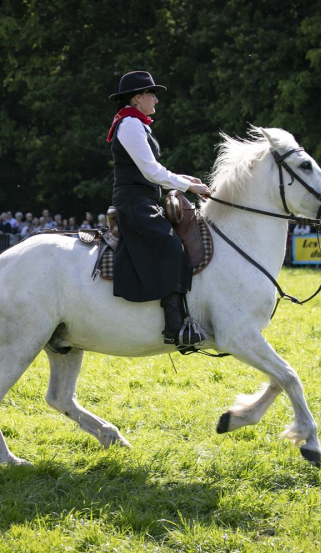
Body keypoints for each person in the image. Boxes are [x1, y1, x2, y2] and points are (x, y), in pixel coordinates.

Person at [107, 71, 210, 347]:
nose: (156, 99)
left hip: (145, 199)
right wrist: (190, 188)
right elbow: (151, 171)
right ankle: (175, 325)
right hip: (135, 202)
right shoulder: (129, 124)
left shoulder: (138, 124)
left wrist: (184, 180)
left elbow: (154, 171)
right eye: (152, 94)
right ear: (137, 98)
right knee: (170, 245)